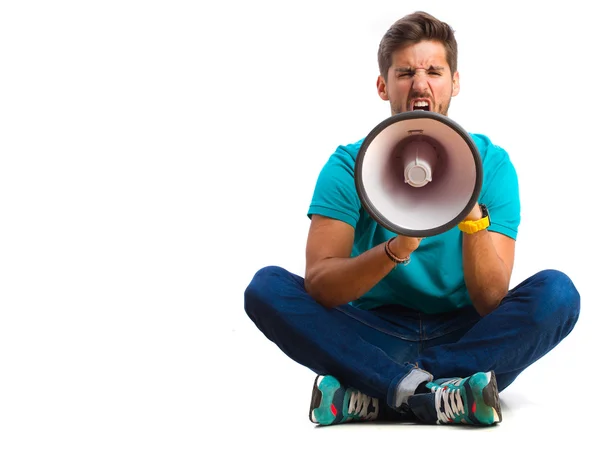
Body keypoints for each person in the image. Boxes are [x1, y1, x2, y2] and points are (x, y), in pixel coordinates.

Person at [244, 11, 580, 426]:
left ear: (454, 82)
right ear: (383, 86)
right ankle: (441, 393)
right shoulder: (349, 164)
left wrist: (470, 210)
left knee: (558, 294)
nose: (420, 84)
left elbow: (491, 300)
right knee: (266, 288)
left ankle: (381, 390)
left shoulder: (490, 165)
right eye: (405, 72)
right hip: (373, 333)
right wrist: (394, 248)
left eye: (434, 71)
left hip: (464, 334)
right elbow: (322, 285)